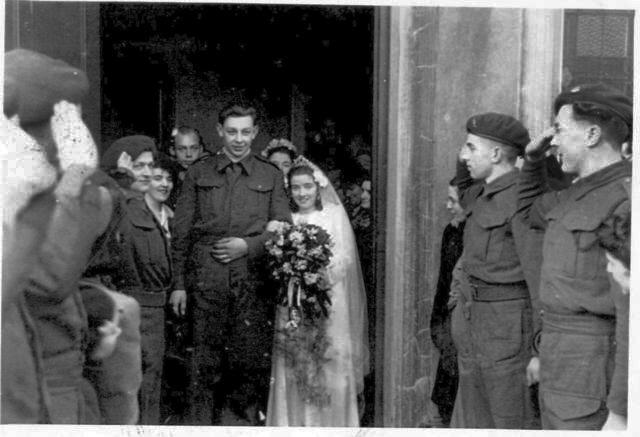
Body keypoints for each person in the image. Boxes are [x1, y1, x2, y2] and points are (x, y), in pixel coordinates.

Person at [517, 84, 632, 430]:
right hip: (558, 363)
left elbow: (633, 316)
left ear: (593, 134)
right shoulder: (572, 195)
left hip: (594, 373)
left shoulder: (625, 201)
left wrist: (622, 410)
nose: (552, 140)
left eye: (560, 130)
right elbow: (525, 213)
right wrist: (533, 160)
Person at [171, 103, 291, 425]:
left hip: (252, 284)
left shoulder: (270, 174)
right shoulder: (199, 172)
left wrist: (248, 246)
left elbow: (282, 228)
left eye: (245, 132)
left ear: (254, 132)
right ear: (220, 131)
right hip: (206, 283)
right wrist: (179, 285)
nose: (239, 139)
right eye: (232, 131)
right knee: (203, 370)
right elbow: (181, 231)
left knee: (247, 369)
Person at [450, 113, 539, 429]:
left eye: (471, 148)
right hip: (474, 320)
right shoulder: (479, 194)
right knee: (475, 419)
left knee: (508, 420)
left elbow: (539, 278)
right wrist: (471, 136)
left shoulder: (522, 199)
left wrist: (539, 350)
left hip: (507, 328)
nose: (463, 156)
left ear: (497, 155)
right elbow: (462, 184)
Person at [266, 156, 369, 427]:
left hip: (329, 302)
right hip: (292, 304)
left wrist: (315, 279)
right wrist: (293, 276)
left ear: (318, 186)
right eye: (296, 188)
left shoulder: (333, 215)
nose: (302, 193)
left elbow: (344, 257)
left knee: (327, 365)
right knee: (295, 361)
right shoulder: (285, 219)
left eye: (308, 186)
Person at [429, 180, 467, 427]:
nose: (448, 205)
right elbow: (443, 282)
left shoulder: (473, 233)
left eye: (453, 200)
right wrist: (438, 322)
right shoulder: (451, 232)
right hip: (448, 323)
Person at [168, 125, 207, 209]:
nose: (188, 154)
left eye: (194, 148)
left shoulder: (210, 178)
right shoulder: (166, 181)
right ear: (172, 150)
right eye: (182, 149)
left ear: (201, 149)